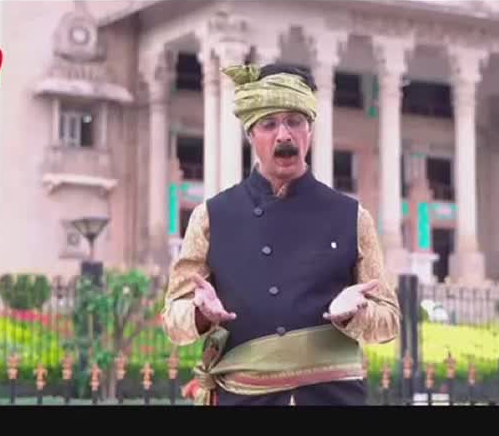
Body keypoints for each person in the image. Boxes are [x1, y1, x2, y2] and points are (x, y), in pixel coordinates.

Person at [161, 63, 400, 406]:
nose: (284, 135)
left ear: (309, 131)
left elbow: (389, 322)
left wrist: (356, 314)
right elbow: (173, 320)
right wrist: (200, 314)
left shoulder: (352, 217)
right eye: (269, 124)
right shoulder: (211, 216)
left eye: (294, 121)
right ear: (250, 134)